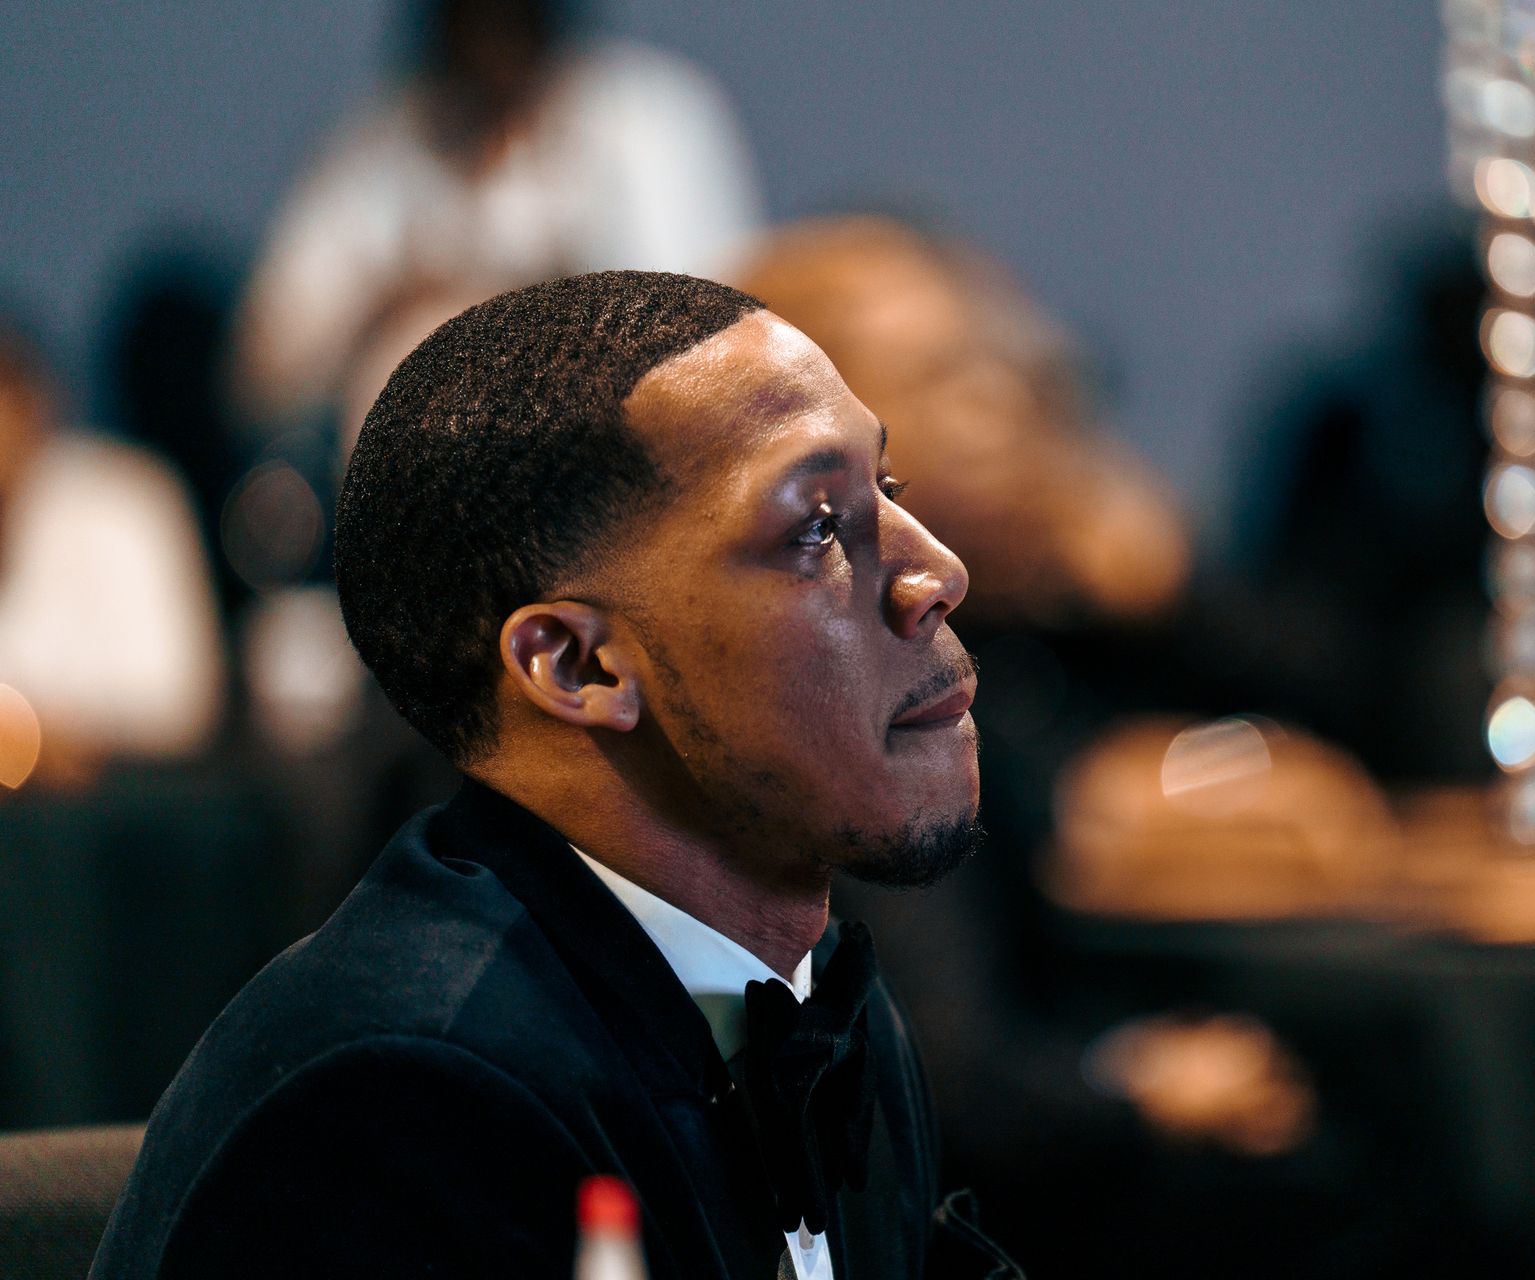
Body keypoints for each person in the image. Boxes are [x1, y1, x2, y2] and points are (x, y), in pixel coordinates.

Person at [93, 272, 1017, 1278]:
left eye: (888, 490)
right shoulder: (406, 1104)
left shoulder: (825, 1007)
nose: (939, 573)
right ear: (578, 666)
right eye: (815, 528)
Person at [231, 0, 762, 430]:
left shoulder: (651, 118)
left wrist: (541, 294)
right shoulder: (382, 143)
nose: (492, 50)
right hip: (403, 495)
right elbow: (263, 373)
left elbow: (708, 335)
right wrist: (387, 302)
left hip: (619, 459)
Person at [0, 317, 223, 785]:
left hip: (115, 814)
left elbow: (178, 700)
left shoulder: (124, 496)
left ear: (32, 403)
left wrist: (41, 736)